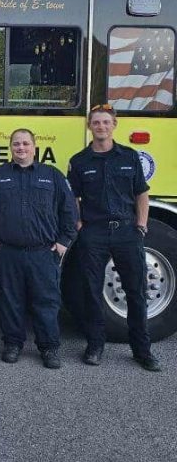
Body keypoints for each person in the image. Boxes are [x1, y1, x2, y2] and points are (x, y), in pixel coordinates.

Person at [67, 105, 161, 371]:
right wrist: (78, 223)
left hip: (127, 231)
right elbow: (72, 196)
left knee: (136, 292)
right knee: (92, 292)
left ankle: (142, 350)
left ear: (114, 125)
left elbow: (142, 193)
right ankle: (95, 345)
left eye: (106, 123)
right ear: (89, 126)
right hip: (93, 232)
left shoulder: (129, 157)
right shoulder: (79, 161)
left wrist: (141, 225)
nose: (101, 127)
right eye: (96, 123)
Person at [0, 128, 77, 369]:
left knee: (46, 302)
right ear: (10, 148)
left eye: (25, 144)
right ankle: (13, 344)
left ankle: (49, 348)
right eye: (16, 144)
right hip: (8, 252)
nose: (20, 148)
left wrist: (64, 241)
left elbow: (69, 211)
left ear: (34, 147)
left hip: (43, 252)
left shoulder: (51, 175)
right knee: (10, 301)